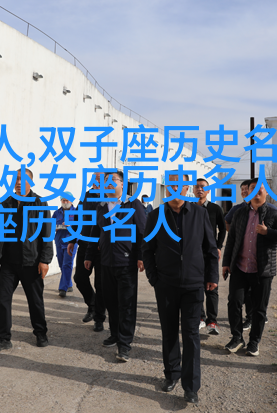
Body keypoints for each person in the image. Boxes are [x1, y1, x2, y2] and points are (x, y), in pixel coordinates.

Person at [143, 173, 219, 404]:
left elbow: (210, 248)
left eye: (181, 184)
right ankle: (171, 374)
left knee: (191, 334)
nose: (176, 188)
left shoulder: (199, 213)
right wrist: (154, 278)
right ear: (166, 188)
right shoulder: (155, 215)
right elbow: (147, 249)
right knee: (169, 332)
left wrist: (211, 276)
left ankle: (191, 386)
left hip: (193, 284)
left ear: (187, 188)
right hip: (165, 284)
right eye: (171, 184)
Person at [0, 169, 53, 353]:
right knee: (3, 300)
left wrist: (45, 260)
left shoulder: (39, 203)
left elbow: (47, 234)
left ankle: (40, 333)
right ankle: (3, 338)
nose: (17, 182)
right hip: (9, 262)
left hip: (32, 262)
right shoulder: (6, 203)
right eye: (15, 179)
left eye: (22, 179)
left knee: (35, 300)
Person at [222, 178, 277, 357]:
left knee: (259, 308)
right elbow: (232, 239)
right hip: (240, 267)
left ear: (267, 192)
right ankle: (237, 338)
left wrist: (268, 232)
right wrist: (226, 263)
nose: (257, 191)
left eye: (261, 188)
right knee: (234, 302)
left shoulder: (274, 214)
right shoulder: (239, 213)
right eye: (253, 188)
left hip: (263, 270)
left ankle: (254, 342)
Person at [85, 171, 146, 362]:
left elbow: (143, 231)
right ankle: (115, 334)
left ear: (122, 184)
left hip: (126, 262)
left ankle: (124, 344)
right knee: (111, 302)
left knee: (126, 304)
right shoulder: (101, 206)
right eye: (106, 181)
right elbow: (96, 232)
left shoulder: (132, 204)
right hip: (106, 262)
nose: (109, 183)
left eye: (113, 180)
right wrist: (89, 256)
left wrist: (141, 256)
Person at [67, 172, 107, 331]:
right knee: (79, 278)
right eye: (94, 179)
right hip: (85, 244)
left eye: (99, 179)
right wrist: (72, 240)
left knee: (101, 284)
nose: (96, 182)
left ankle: (99, 318)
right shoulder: (86, 196)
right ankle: (92, 305)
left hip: (101, 248)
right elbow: (78, 218)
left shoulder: (110, 198)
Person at [193, 178, 226, 335]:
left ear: (208, 190)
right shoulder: (189, 207)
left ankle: (212, 321)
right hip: (193, 254)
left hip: (210, 253)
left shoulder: (215, 208)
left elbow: (222, 229)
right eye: (197, 187)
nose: (199, 189)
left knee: (212, 287)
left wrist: (218, 246)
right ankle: (200, 317)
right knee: (196, 286)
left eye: (202, 187)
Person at [52, 196, 76, 297]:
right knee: (61, 264)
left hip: (71, 242)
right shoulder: (56, 213)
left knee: (67, 264)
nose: (65, 202)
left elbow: (81, 226)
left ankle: (63, 288)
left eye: (67, 200)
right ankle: (68, 284)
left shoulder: (77, 212)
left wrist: (70, 226)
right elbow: (51, 225)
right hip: (59, 241)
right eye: (63, 200)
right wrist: (55, 228)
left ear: (71, 201)